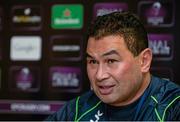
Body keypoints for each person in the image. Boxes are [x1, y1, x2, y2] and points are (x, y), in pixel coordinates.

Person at [45, 11, 180, 121]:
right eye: (93, 62)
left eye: (111, 61)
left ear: (144, 61)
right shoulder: (75, 111)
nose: (99, 75)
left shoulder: (173, 106)